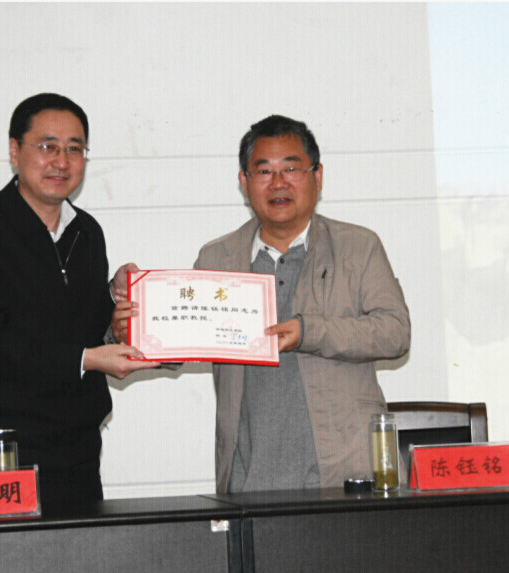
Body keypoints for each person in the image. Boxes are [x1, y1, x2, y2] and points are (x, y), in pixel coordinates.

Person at [111, 115, 412, 494]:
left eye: (291, 168)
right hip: (251, 476)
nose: (278, 183)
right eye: (264, 171)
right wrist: (133, 330)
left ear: (317, 176)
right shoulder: (217, 257)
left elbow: (395, 332)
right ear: (244, 182)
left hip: (346, 472)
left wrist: (308, 331)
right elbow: (185, 339)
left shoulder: (359, 246)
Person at [0, 93, 158, 505]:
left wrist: (115, 299)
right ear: (14, 151)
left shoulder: (87, 233)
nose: (61, 161)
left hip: (75, 458)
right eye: (48, 146)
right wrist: (87, 359)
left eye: (74, 149)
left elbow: (78, 324)